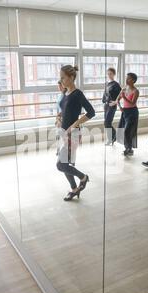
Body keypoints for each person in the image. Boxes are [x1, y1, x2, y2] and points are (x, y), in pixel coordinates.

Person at [56, 65, 95, 201]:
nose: (61, 81)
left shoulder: (77, 94)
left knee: (60, 164)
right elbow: (66, 109)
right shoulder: (65, 93)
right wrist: (60, 116)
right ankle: (74, 189)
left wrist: (73, 125)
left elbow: (91, 112)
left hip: (72, 133)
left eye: (63, 78)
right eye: (60, 78)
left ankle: (83, 178)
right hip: (63, 132)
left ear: (72, 77)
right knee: (65, 163)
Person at [111, 73, 139, 156]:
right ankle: (128, 148)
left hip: (132, 112)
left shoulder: (136, 91)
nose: (126, 80)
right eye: (126, 78)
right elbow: (117, 100)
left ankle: (129, 148)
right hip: (125, 112)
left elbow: (133, 103)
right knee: (123, 130)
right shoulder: (124, 89)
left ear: (133, 80)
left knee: (127, 130)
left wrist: (124, 97)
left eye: (129, 79)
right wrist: (120, 107)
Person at [102, 68, 121, 146]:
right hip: (106, 105)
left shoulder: (116, 84)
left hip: (112, 106)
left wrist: (116, 102)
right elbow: (105, 94)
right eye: (108, 73)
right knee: (106, 123)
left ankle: (113, 137)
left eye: (111, 73)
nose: (109, 75)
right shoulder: (107, 83)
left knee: (107, 123)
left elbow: (120, 94)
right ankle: (112, 138)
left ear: (114, 74)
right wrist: (104, 102)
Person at [55, 80, 67, 155]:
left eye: (60, 86)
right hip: (59, 118)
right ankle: (58, 150)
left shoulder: (66, 95)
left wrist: (60, 119)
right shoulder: (60, 95)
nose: (59, 87)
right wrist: (57, 118)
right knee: (57, 135)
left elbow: (65, 109)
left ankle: (65, 152)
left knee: (64, 136)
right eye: (58, 86)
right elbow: (57, 107)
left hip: (63, 119)